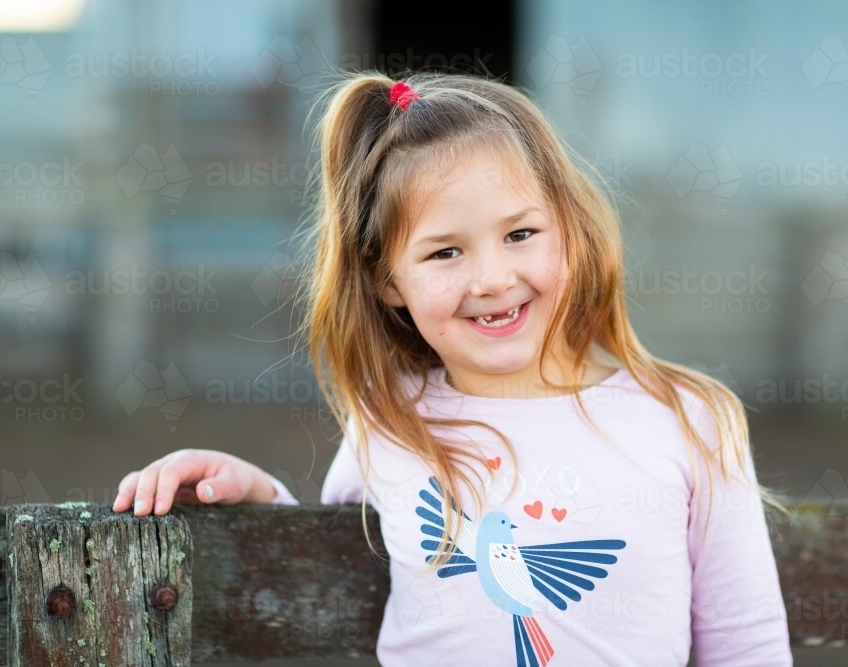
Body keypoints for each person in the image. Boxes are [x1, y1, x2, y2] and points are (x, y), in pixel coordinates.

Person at [113, 72, 793, 666]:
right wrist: (253, 492)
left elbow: (747, 642)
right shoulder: (390, 419)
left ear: (570, 231)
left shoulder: (689, 420)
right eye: (445, 252)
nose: (492, 278)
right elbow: (324, 551)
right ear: (388, 281)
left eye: (520, 234)